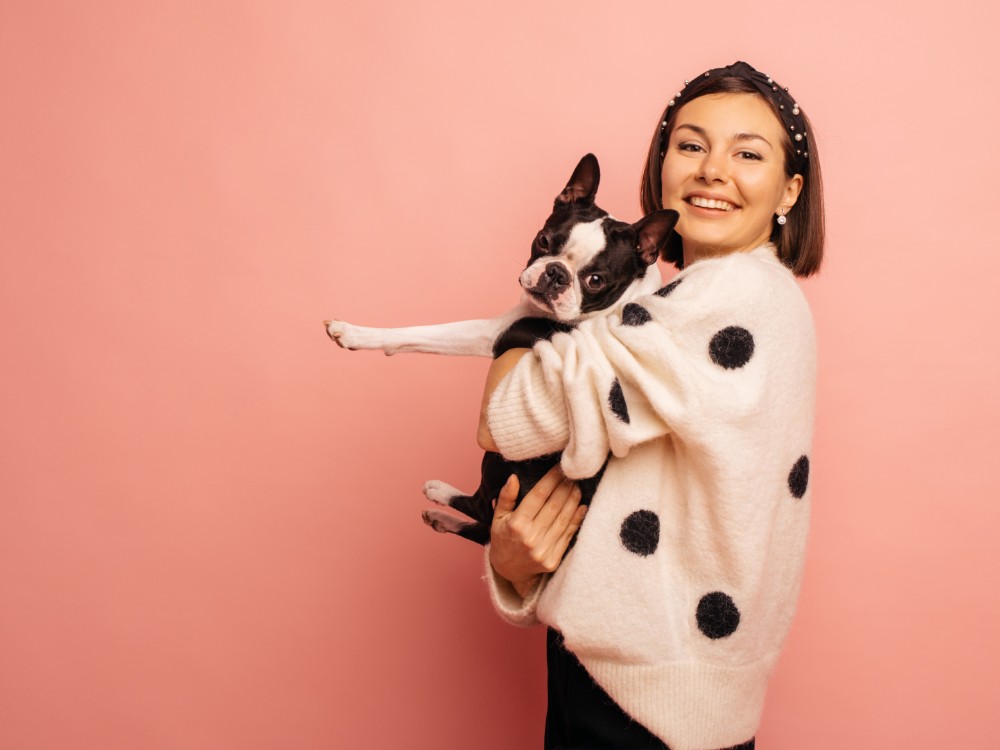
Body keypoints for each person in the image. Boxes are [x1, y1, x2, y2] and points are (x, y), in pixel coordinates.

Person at [477, 61, 824, 750]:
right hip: (650, 686)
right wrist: (514, 566)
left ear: (790, 189)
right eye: (691, 144)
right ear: (661, 165)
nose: (712, 170)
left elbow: (505, 419)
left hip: (641, 708)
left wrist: (527, 316)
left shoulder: (726, 296)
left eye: (747, 154)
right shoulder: (725, 297)